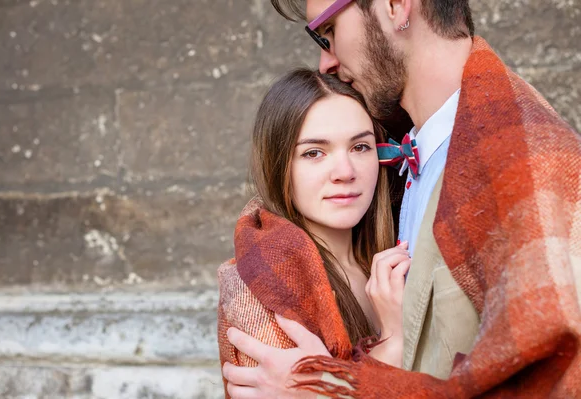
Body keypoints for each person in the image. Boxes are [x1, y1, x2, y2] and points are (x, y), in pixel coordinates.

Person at [222, 0, 581, 397]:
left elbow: (551, 384)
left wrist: (339, 389)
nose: (325, 62)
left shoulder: (524, 160)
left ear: (396, 5)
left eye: (328, 31)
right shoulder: (403, 160)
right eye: (313, 153)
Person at [218, 69, 412, 398]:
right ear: (280, 166)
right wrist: (393, 344)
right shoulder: (257, 283)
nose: (345, 172)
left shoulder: (396, 254)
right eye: (313, 153)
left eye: (360, 147)